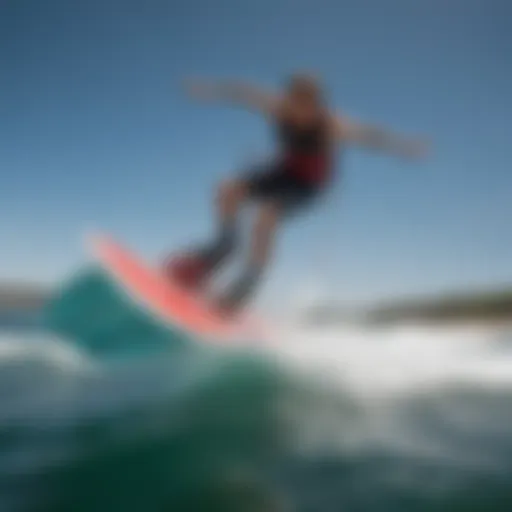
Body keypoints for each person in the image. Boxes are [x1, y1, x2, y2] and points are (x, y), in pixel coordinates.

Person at [165, 73, 427, 315]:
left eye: (307, 106)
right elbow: (241, 93)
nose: (300, 112)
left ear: (317, 105)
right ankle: (219, 250)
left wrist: (405, 146)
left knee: (266, 217)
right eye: (295, 103)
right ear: (289, 99)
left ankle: (246, 285)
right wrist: (206, 90)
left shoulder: (332, 124)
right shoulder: (278, 108)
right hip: (282, 172)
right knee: (226, 189)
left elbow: (372, 136)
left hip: (309, 186)